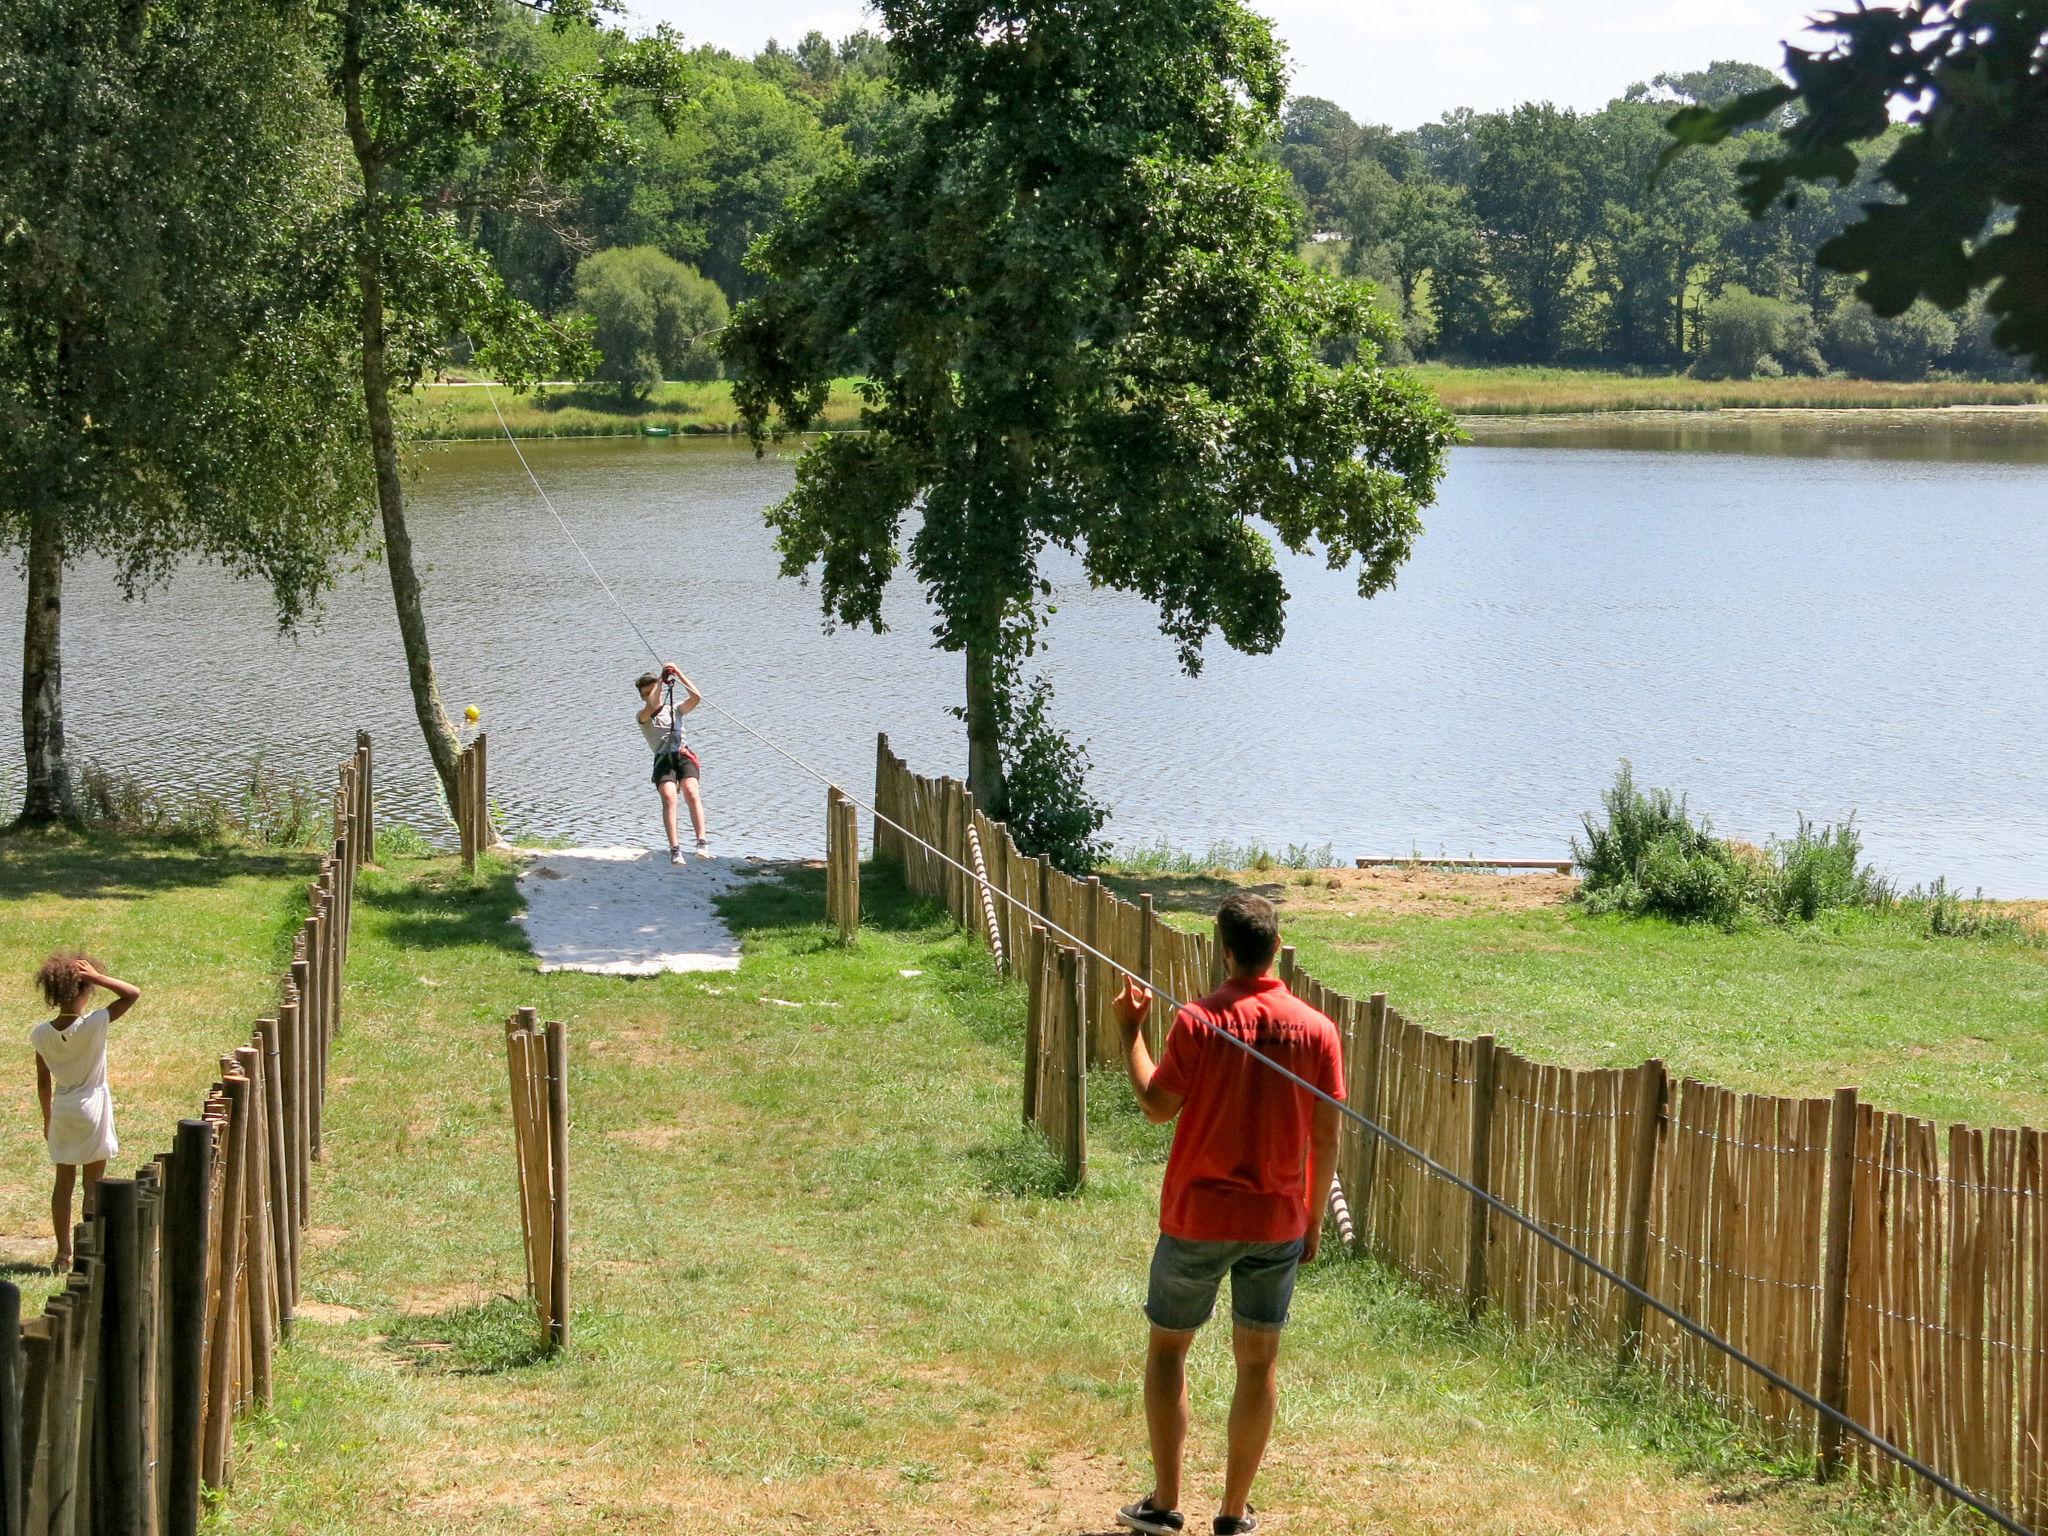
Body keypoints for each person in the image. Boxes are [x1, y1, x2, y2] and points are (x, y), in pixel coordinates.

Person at [1111, 891, 1344, 1536]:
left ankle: (1164, 1504)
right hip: (1275, 1222)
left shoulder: (1198, 1019)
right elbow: (1326, 1137)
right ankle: (1234, 1515)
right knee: (1258, 1363)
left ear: (1224, 947)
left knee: (1168, 1350)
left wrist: (1131, 1034)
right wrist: (1313, 1218)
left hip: (1197, 1216)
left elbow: (1157, 1105)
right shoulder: (1319, 1030)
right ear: (1277, 946)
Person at [29, 952, 142, 1273]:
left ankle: (62, 1253)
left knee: (63, 1183)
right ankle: (89, 1247)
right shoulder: (95, 1024)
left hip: (63, 1110)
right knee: (94, 1183)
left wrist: (48, 1119)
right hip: (92, 1106)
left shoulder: (41, 1034)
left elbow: (43, 1084)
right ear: (85, 990)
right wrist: (98, 977)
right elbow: (131, 993)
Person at [636, 662, 709, 864]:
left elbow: (696, 697)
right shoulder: (643, 717)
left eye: (651, 691)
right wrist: (661, 678)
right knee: (669, 797)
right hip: (663, 760)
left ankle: (702, 842)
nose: (648, 696)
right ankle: (675, 849)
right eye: (645, 694)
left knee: (690, 790)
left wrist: (677, 673)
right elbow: (652, 705)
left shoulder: (675, 709)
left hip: (683, 755)